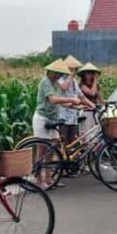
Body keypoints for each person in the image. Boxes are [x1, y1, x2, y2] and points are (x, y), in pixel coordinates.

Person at [32, 59, 83, 188]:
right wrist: (71, 99)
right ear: (52, 72)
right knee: (42, 150)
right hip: (42, 118)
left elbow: (61, 102)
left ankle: (49, 179)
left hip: (53, 119)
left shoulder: (55, 85)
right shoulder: (45, 82)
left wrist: (74, 106)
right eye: (58, 73)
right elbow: (52, 99)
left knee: (53, 148)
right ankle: (39, 180)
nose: (59, 76)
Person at [57, 56, 84, 144]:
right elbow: (64, 87)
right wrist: (71, 74)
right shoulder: (60, 80)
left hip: (73, 116)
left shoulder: (74, 81)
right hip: (63, 116)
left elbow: (80, 95)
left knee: (72, 142)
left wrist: (90, 105)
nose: (75, 71)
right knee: (63, 141)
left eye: (75, 69)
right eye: (73, 69)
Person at [77, 63, 104, 133]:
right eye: (88, 73)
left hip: (94, 111)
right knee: (87, 132)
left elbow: (99, 98)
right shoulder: (82, 85)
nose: (90, 75)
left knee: (96, 131)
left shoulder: (95, 85)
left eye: (92, 73)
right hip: (86, 111)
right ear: (84, 75)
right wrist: (95, 81)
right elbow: (92, 93)